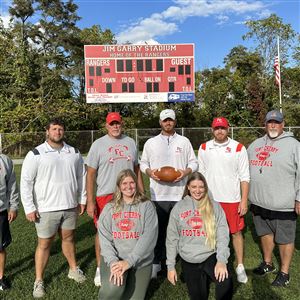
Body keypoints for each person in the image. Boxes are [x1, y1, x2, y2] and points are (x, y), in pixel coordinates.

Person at [20, 118, 86, 298]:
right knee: (44, 244)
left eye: (61, 129)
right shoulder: (36, 154)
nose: (58, 132)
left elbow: (82, 177)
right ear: (47, 131)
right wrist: (29, 207)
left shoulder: (74, 152)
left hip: (70, 206)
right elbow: (26, 182)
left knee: (69, 238)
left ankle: (73, 269)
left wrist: (82, 199)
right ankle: (39, 280)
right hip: (46, 208)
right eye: (54, 129)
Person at [86, 112, 143, 286]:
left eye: (118, 123)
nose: (115, 126)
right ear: (106, 126)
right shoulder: (98, 144)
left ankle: (128, 263)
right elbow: (90, 174)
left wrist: (141, 192)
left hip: (129, 193)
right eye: (112, 124)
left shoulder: (130, 142)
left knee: (129, 229)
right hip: (106, 195)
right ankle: (99, 267)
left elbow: (137, 169)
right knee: (103, 232)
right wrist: (90, 201)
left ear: (122, 124)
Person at [140, 108, 198, 278]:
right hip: (158, 195)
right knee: (158, 231)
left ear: (175, 121)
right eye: (165, 120)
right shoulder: (151, 143)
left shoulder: (184, 141)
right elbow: (143, 163)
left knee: (182, 231)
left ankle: (186, 262)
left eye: (170, 120)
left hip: (180, 194)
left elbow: (194, 162)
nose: (168, 123)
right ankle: (157, 262)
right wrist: (150, 173)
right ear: (160, 122)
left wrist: (185, 172)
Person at [247, 110, 300, 287]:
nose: (273, 125)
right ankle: (268, 263)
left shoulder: (294, 145)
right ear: (265, 124)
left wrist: (299, 198)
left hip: (283, 203)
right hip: (258, 201)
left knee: (285, 238)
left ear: (283, 124)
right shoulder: (254, 145)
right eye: (270, 122)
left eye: (276, 122)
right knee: (265, 233)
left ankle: (284, 272)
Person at [198, 116, 250, 284]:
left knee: (235, 232)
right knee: (210, 233)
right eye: (216, 128)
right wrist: (201, 198)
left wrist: (243, 201)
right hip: (211, 199)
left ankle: (240, 266)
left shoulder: (238, 148)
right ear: (212, 130)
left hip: (232, 199)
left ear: (228, 129)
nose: (219, 131)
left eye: (222, 128)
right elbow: (201, 175)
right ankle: (214, 264)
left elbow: (245, 177)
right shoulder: (204, 147)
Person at [166, 172, 233, 300]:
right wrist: (170, 266)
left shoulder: (214, 206)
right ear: (188, 188)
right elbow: (171, 239)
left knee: (226, 281)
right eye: (194, 187)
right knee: (198, 297)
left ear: (205, 188)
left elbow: (223, 235)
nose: (198, 190)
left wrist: (221, 261)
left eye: (201, 187)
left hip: (210, 254)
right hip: (189, 257)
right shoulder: (179, 208)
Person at [98, 169, 158, 300]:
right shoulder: (110, 208)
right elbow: (104, 239)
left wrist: (129, 262)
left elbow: (148, 237)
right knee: (113, 290)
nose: (128, 186)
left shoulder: (147, 206)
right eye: (124, 183)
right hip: (116, 259)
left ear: (136, 184)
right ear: (119, 186)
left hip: (140, 261)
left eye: (132, 183)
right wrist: (114, 263)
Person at [0, 154, 19, 290]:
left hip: (0, 211)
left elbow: (12, 185)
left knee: (0, 247)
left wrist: (13, 206)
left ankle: (0, 277)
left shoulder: (4, 160)